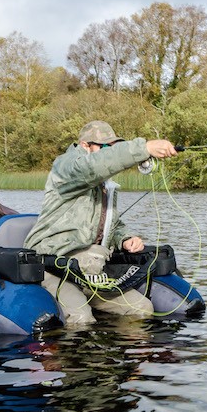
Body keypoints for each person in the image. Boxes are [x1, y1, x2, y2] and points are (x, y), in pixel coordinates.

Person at [24, 120, 179, 325]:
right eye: (105, 147)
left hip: (90, 270)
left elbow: (110, 223)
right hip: (53, 266)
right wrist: (145, 148)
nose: (110, 151)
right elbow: (95, 166)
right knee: (81, 318)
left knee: (142, 309)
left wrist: (124, 239)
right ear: (85, 145)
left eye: (113, 147)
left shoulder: (104, 185)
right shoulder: (68, 167)